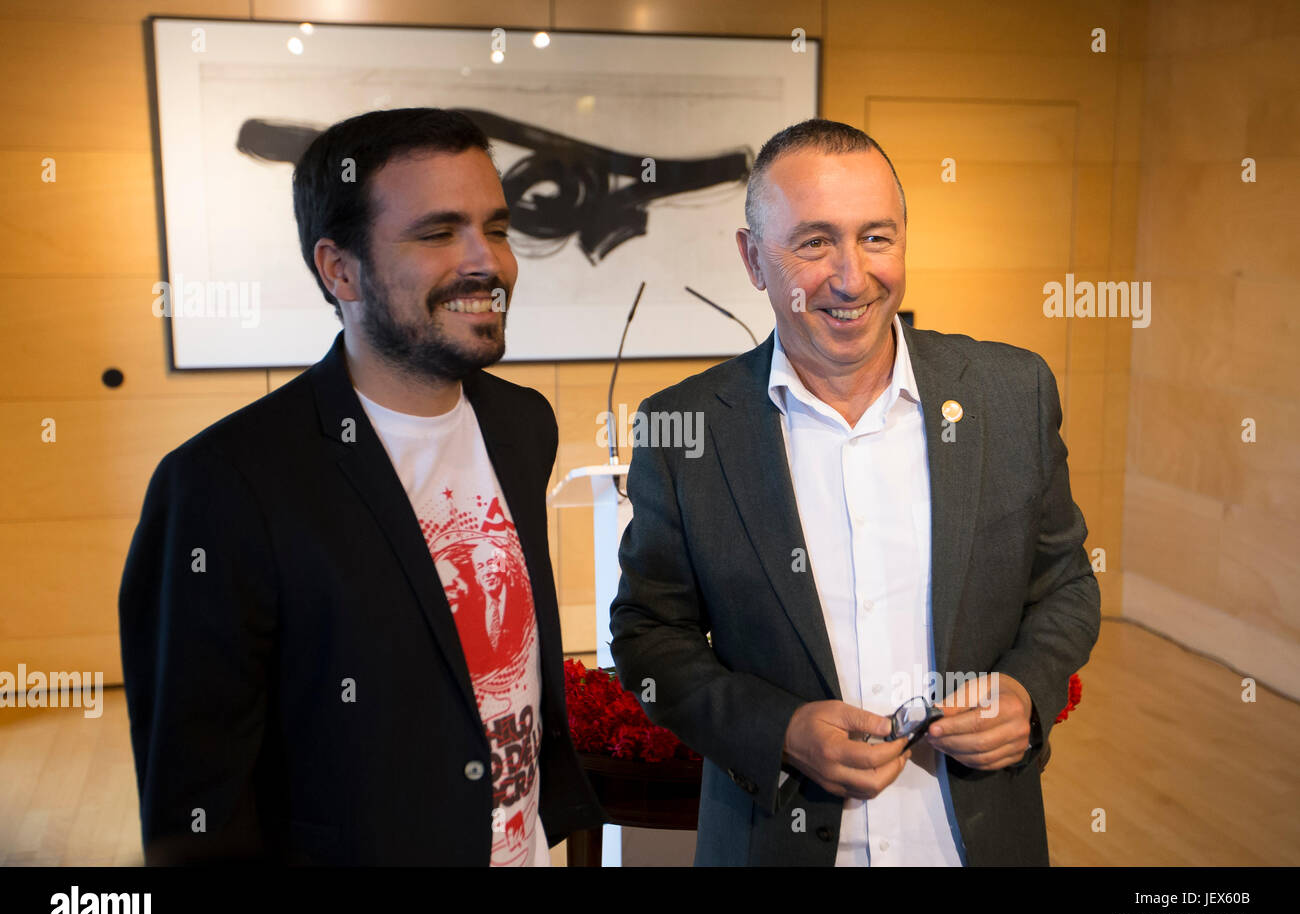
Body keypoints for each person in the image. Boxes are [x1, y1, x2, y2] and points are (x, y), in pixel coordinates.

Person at [119, 108, 606, 865]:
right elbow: (198, 807)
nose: (489, 262)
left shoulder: (522, 425)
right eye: (439, 232)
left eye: (497, 227)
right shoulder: (222, 482)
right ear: (339, 269)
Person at [609, 119, 1100, 866]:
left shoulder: (1012, 393)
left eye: (876, 237)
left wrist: (1027, 690)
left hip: (976, 841)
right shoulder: (686, 429)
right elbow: (649, 633)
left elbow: (1065, 584)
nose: (850, 277)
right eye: (814, 242)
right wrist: (778, 730)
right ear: (752, 259)